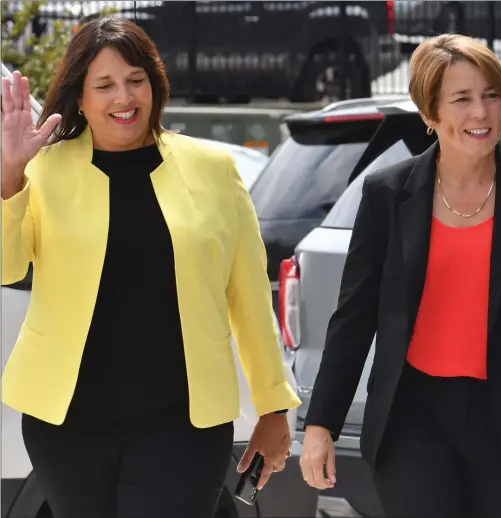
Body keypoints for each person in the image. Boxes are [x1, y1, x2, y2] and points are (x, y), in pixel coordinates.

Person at [1, 16, 300, 518]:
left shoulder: (212, 169)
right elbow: (7, 268)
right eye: (105, 85)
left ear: (154, 84)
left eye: (136, 80)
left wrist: (274, 408)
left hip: (184, 425)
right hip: (67, 426)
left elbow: (248, 296)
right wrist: (9, 176)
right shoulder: (42, 168)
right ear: (80, 98)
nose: (124, 97)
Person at [299, 34, 501, 518]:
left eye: (490, 95)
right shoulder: (387, 193)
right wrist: (322, 424)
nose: (481, 113)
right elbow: (354, 316)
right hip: (412, 421)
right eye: (462, 99)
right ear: (431, 113)